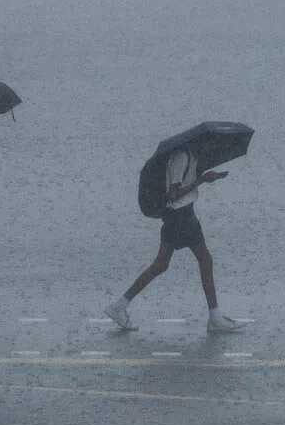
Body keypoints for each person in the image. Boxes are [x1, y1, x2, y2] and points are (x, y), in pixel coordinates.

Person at [105, 139, 248, 333]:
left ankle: (119, 306)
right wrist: (200, 180)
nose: (212, 147)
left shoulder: (192, 156)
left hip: (181, 215)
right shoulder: (182, 157)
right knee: (204, 259)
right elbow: (173, 194)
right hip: (181, 216)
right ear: (200, 141)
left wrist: (204, 177)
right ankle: (215, 317)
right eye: (210, 144)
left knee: (162, 264)